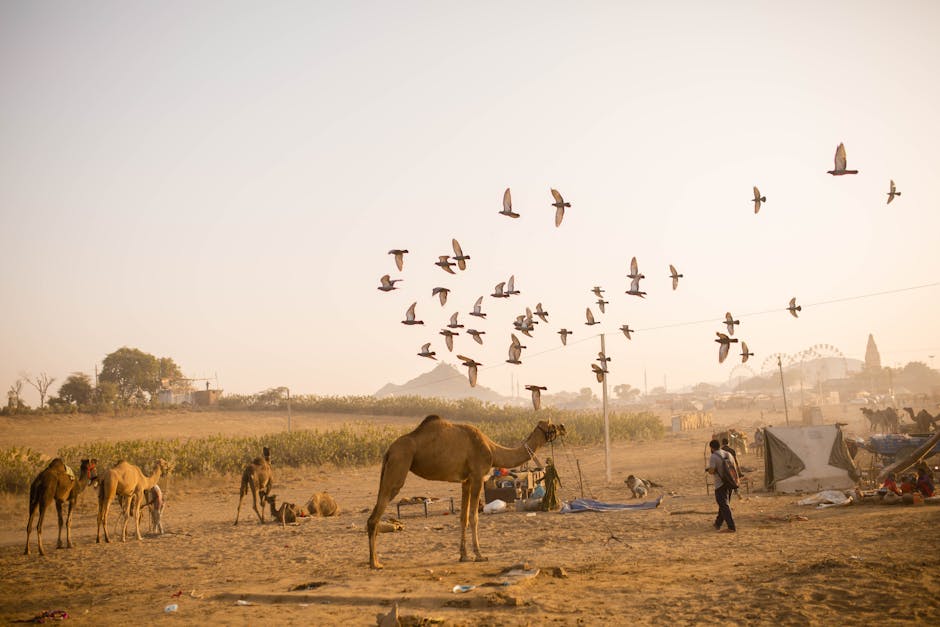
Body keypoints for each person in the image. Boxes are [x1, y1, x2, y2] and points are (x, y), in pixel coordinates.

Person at [706, 439, 736, 532]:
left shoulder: (713, 456)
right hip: (730, 482)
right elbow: (734, 466)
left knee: (723, 505)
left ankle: (731, 527)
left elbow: (712, 470)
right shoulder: (728, 454)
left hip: (720, 484)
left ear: (711, 447)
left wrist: (708, 470)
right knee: (724, 504)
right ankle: (718, 523)